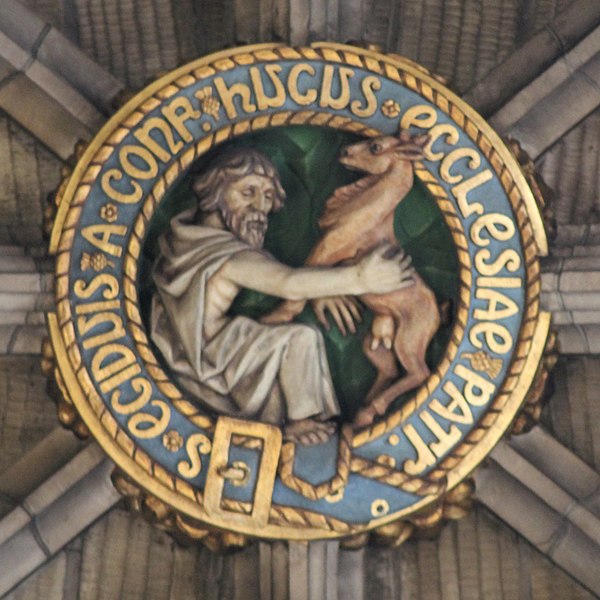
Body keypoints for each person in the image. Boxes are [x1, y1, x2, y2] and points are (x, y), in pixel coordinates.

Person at [150, 149, 414, 445]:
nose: (259, 207)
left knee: (275, 335)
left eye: (266, 197)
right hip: (211, 357)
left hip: (192, 346)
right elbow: (289, 283)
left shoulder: (181, 239)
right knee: (300, 338)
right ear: (213, 192)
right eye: (247, 192)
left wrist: (271, 319)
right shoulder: (228, 256)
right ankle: (300, 421)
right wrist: (361, 278)